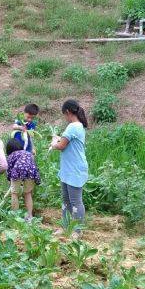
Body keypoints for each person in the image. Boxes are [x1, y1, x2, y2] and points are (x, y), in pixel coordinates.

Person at [51, 99, 89, 237]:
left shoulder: (73, 126)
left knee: (75, 202)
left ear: (67, 112)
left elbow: (61, 146)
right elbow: (66, 142)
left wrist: (54, 143)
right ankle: (65, 226)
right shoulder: (77, 126)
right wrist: (58, 139)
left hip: (75, 169)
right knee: (66, 200)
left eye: (64, 115)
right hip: (68, 169)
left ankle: (77, 231)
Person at [6, 137, 41, 221]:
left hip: (17, 170)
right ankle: (29, 216)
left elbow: (9, 171)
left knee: (14, 193)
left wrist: (10, 182)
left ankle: (16, 216)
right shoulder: (27, 153)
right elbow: (33, 165)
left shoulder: (11, 156)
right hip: (31, 172)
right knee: (28, 193)